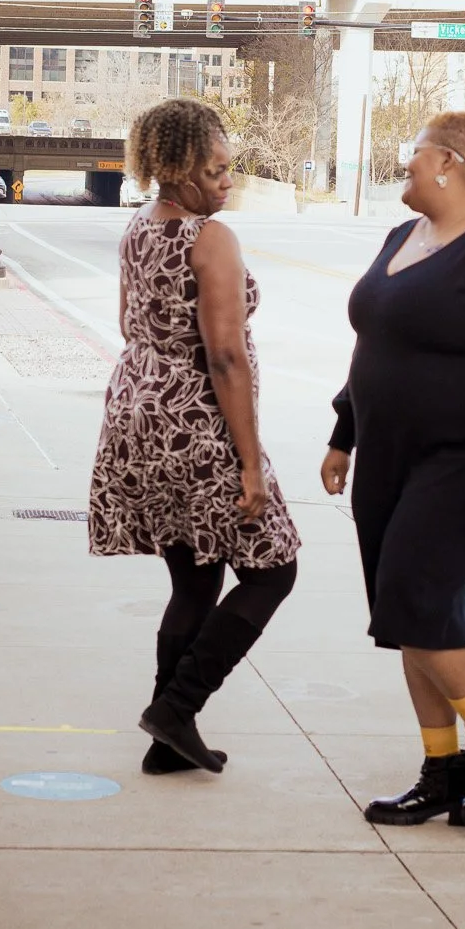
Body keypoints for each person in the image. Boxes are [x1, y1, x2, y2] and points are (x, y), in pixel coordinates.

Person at [321, 109, 465, 826]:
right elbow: (377, 346)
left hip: (461, 462)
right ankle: (443, 770)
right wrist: (344, 429)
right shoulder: (403, 237)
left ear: (450, 162)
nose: (406, 163)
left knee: (416, 597)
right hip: (387, 457)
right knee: (410, 615)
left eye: (415, 152)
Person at [89, 98, 300, 774]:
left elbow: (129, 323)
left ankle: (166, 740)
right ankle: (176, 706)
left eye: (229, 169)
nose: (226, 181)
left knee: (195, 578)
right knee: (274, 566)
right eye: (215, 170)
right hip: (196, 425)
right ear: (176, 166)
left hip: (137, 416)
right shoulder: (211, 240)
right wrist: (249, 464)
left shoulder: (138, 229)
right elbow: (226, 357)